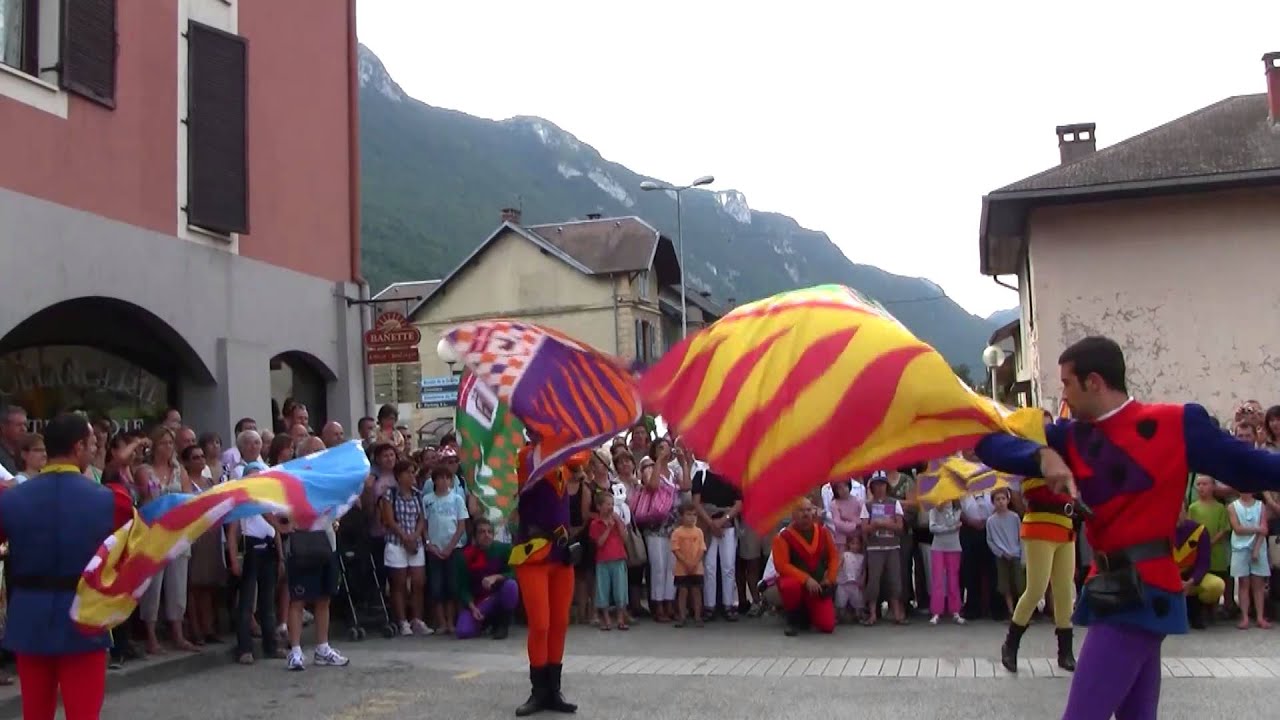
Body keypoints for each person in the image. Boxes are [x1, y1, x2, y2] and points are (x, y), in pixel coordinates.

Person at [975, 335, 1280, 720]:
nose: (1062, 394)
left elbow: (1249, 466)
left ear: (1094, 382)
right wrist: (1041, 454)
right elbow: (990, 443)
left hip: (1144, 588)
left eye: (1067, 383)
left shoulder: (1178, 423)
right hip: (1110, 587)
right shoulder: (1071, 436)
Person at [0, 414, 133, 720]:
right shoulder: (108, 499)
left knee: (35, 712)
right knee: (83, 712)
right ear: (78, 447)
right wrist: (115, 473)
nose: (94, 450)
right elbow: (130, 538)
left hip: (29, 615)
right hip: (84, 614)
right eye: (92, 444)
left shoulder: (12, 499)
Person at [509, 446, 584, 716]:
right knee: (540, 624)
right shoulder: (528, 455)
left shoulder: (565, 454)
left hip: (561, 553)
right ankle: (538, 691)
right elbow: (555, 460)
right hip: (533, 553)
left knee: (560, 623)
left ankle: (553, 690)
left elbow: (581, 454)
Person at [772, 498, 840, 636]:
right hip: (798, 585)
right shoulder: (783, 537)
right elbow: (781, 565)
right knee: (789, 586)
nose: (806, 514)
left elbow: (834, 557)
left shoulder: (823, 532)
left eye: (809, 510)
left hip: (818, 586)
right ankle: (792, 619)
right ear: (793, 514)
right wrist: (806, 579)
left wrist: (830, 579)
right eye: (801, 510)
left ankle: (808, 613)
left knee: (827, 626)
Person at [455, 517, 518, 640]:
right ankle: (483, 622)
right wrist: (472, 608)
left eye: (489, 532)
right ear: (474, 536)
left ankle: (502, 625)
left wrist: (497, 577)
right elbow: (462, 588)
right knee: (463, 631)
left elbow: (515, 573)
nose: (486, 535)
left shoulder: (504, 549)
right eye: (482, 532)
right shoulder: (465, 556)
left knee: (511, 586)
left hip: (497, 597)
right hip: (478, 602)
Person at [1173, 517, 1223, 630]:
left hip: (1191, 578)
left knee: (1216, 585)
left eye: (1179, 510)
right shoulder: (1159, 530)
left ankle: (1201, 610)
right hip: (1168, 578)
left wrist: (1191, 581)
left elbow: (1204, 563)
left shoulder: (1199, 530)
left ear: (1186, 511)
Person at [668, 501, 707, 628]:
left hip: (697, 568)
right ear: (681, 516)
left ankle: (697, 616)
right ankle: (682, 616)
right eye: (688, 515)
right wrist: (686, 562)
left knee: (696, 591)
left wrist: (695, 562)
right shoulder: (677, 532)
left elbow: (702, 549)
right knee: (682, 591)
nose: (692, 518)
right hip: (681, 568)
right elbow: (675, 549)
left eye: (694, 515)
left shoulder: (699, 532)